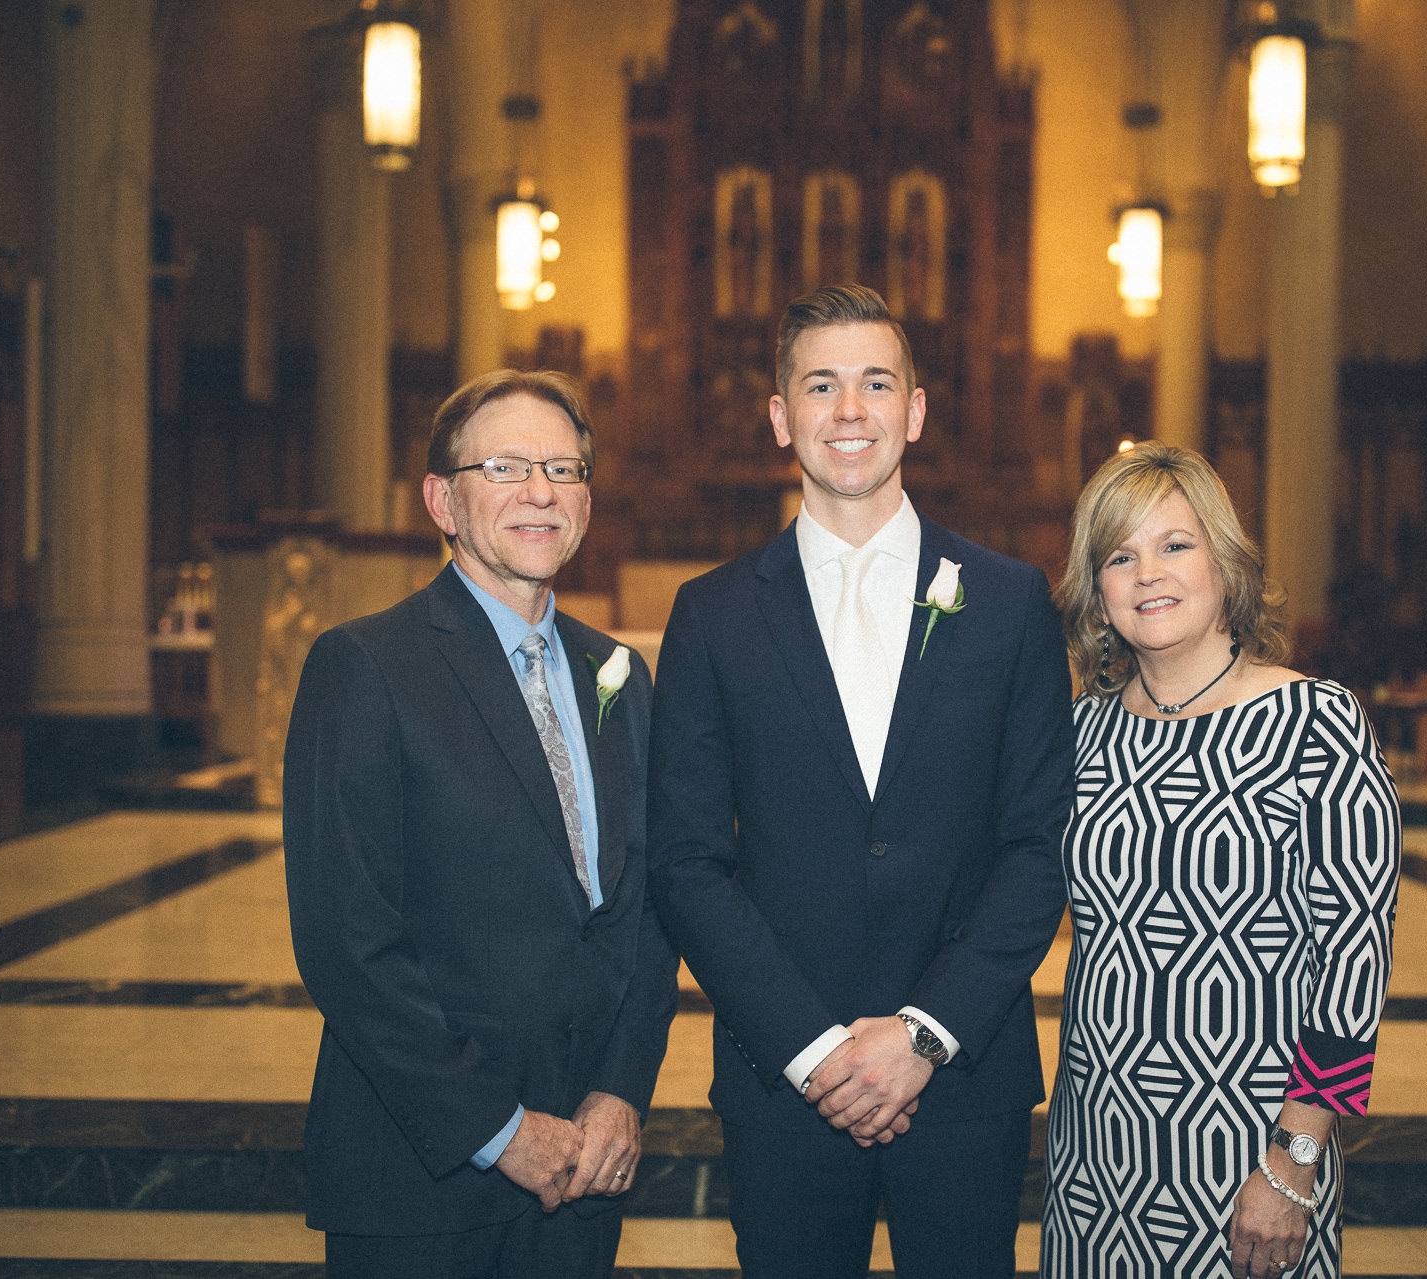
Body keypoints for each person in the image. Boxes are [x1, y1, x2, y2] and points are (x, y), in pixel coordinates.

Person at [648, 285, 1076, 1278]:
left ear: (915, 410)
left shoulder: (1008, 601)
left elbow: (1038, 843)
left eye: (876, 383)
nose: (850, 412)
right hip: (784, 1081)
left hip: (964, 1079)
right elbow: (686, 860)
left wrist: (924, 1033)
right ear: (780, 415)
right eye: (822, 385)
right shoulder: (711, 615)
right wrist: (812, 1047)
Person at [284, 370, 676, 1278]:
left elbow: (648, 905)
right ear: (442, 500)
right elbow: (347, 938)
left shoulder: (618, 673)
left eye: (564, 468)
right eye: (505, 466)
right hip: (422, 1169)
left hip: (585, 1163)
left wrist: (620, 1087)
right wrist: (496, 1131)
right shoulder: (366, 666)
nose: (541, 492)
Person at [1040, 443, 1400, 1279]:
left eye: (1174, 544)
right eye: (1119, 556)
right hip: (1097, 1146)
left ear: (1224, 561)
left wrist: (1293, 1160)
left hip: (1249, 1144)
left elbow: (1354, 958)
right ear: (1098, 591)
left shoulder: (1317, 723)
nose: (1147, 574)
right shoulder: (1081, 732)